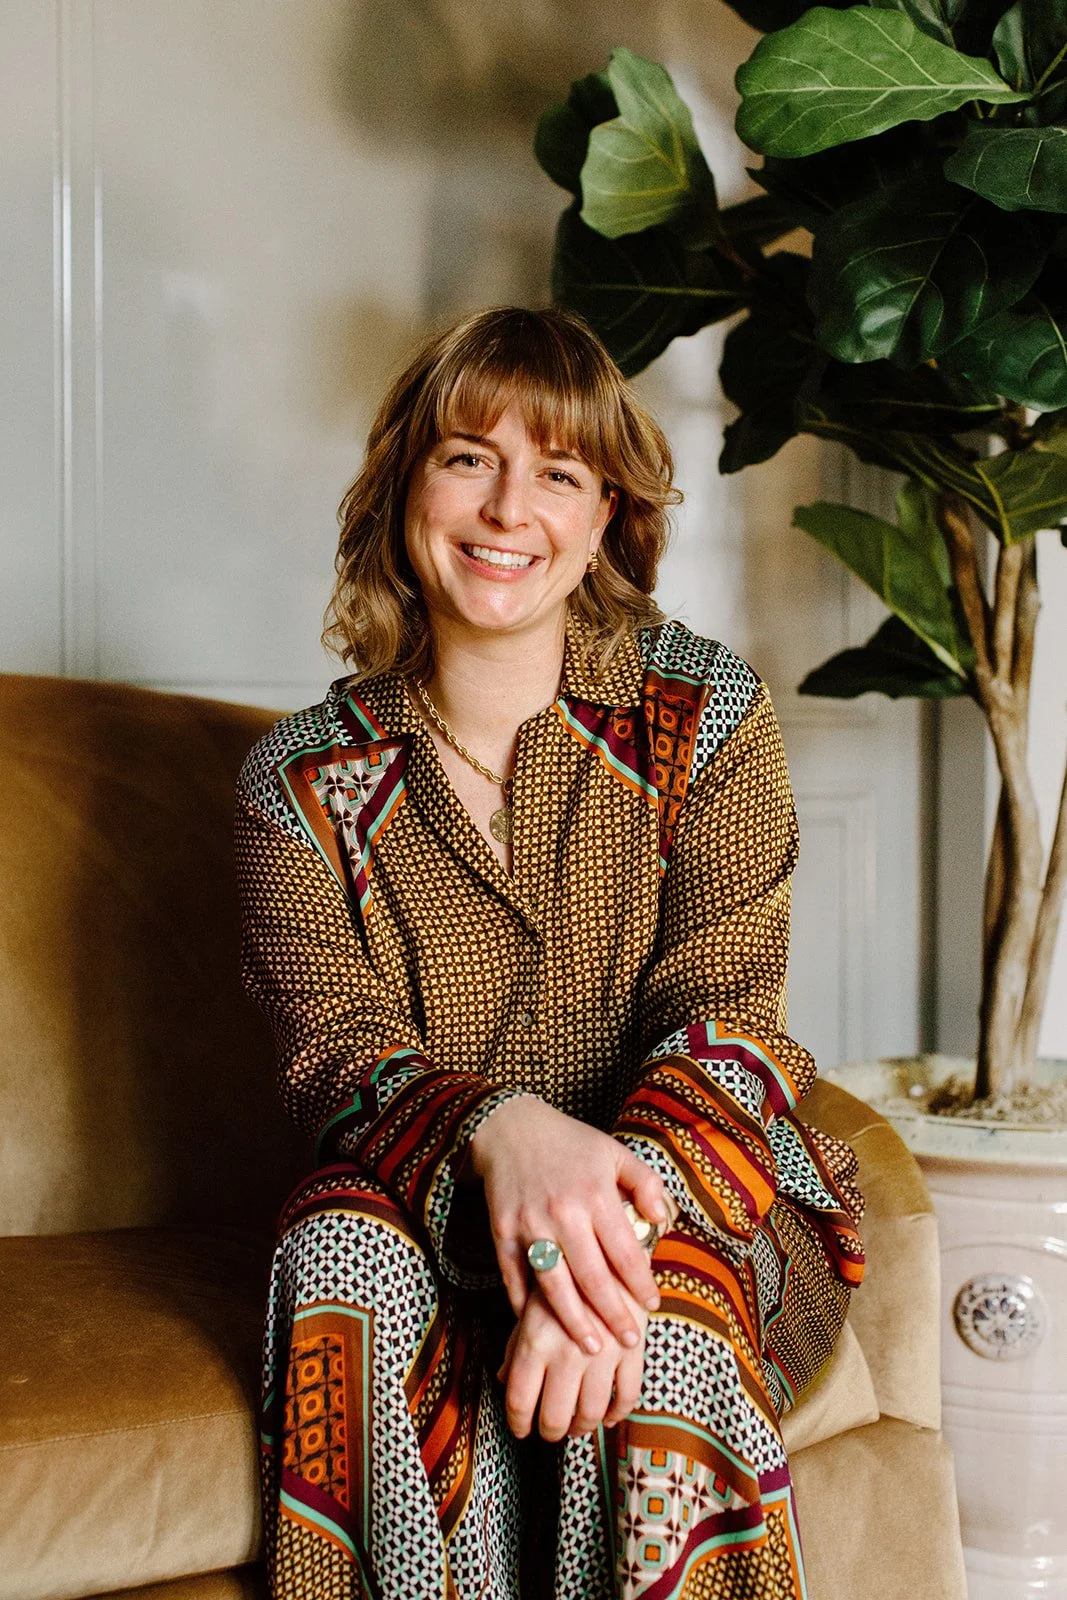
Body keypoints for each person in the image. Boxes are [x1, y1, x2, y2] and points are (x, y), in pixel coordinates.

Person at [235, 305, 865, 1600]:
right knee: (330, 1249)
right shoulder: (292, 782)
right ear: (406, 485)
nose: (506, 505)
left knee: (660, 1298)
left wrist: (596, 1223)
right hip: (431, 1201)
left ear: (605, 522)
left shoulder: (708, 713)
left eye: (559, 473)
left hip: (686, 1188)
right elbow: (334, 1056)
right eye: (468, 456)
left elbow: (727, 1007)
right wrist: (502, 1133)